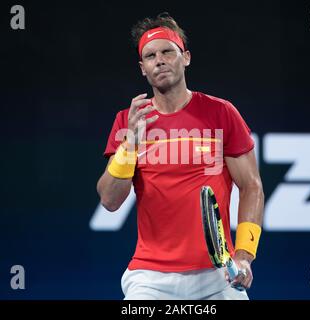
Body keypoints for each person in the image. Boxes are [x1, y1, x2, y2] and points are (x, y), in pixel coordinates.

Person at [97, 12, 264, 300]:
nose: (159, 60)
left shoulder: (221, 112)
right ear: (143, 68)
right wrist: (131, 142)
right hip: (149, 279)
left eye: (167, 52)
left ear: (185, 57)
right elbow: (110, 200)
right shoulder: (128, 120)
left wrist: (245, 256)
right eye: (150, 56)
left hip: (218, 275)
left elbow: (252, 186)